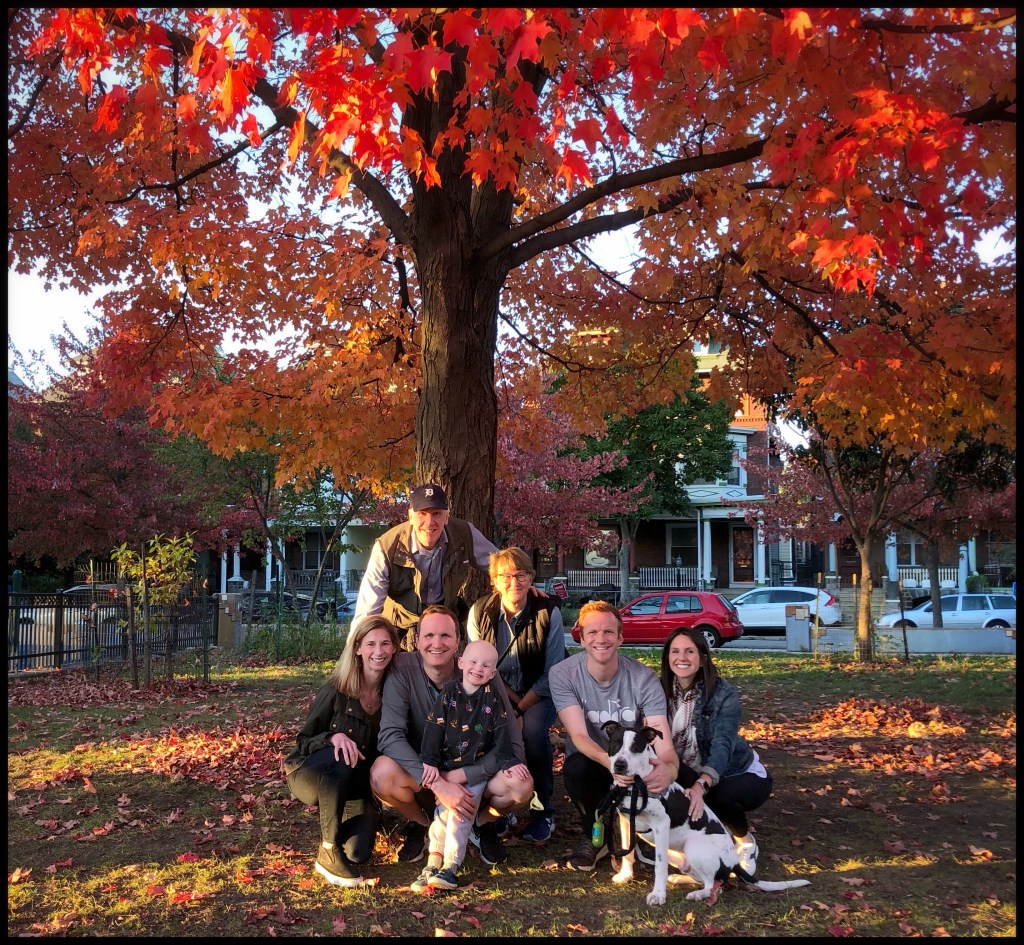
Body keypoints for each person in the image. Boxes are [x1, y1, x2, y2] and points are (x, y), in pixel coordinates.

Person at [370, 605, 534, 869]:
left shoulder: (480, 671)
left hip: (475, 779)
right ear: (417, 640)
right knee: (381, 773)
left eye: (445, 636)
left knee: (521, 785)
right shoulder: (402, 668)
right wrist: (437, 783)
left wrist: (464, 775)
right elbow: (389, 736)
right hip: (424, 774)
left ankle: (480, 823)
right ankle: (423, 823)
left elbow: (512, 743)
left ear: (458, 642)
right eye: (429, 635)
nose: (437, 643)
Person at [549, 600, 680, 872]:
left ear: (620, 637)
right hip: (594, 759)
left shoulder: (643, 678)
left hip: (636, 763)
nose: (601, 639)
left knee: (671, 773)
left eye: (608, 632)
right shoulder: (563, 674)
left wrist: (669, 770)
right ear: (581, 638)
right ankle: (595, 835)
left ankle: (647, 834)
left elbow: (663, 743)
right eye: (592, 632)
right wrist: (610, 762)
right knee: (576, 769)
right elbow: (578, 735)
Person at [284, 615, 400, 887]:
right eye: (371, 644)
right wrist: (332, 737)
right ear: (357, 648)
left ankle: (343, 824)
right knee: (341, 753)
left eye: (385, 643)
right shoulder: (336, 688)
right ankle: (328, 849)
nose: (379, 651)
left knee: (358, 853)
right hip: (312, 774)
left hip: (354, 784)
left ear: (395, 647)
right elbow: (303, 740)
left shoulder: (395, 693)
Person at [412, 639, 531, 891]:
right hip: (447, 767)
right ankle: (433, 862)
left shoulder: (493, 699)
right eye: (474, 662)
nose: (478, 668)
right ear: (461, 663)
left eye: (486, 665)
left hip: (475, 771)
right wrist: (429, 761)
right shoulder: (449, 693)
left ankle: (451, 865)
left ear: (493, 672)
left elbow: (502, 733)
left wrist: (509, 761)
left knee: (460, 814)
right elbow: (434, 727)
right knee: (443, 813)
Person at [467, 547, 566, 843]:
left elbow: (553, 672)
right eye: (505, 576)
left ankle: (542, 810)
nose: (514, 582)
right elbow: (480, 667)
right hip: (495, 691)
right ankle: (502, 807)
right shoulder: (479, 612)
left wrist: (520, 710)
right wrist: (510, 711)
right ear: (494, 580)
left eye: (521, 575)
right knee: (489, 732)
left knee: (533, 733)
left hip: (539, 692)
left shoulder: (548, 612)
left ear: (531, 577)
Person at [659, 625, 772, 875]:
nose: (682, 657)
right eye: (675, 651)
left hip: (736, 772)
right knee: (665, 777)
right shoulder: (659, 692)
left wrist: (701, 785)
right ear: (667, 658)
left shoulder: (722, 694)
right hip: (686, 768)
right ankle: (688, 844)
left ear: (702, 658)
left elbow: (723, 745)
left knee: (718, 796)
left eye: (689, 651)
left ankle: (745, 842)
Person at [353, 483, 498, 650]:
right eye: (422, 513)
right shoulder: (386, 546)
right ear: (410, 516)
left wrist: (518, 586)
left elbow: (502, 565)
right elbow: (368, 608)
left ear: (446, 517)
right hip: (400, 625)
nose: (429, 522)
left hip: (445, 622)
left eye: (436, 514)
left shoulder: (464, 533)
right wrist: (355, 647)